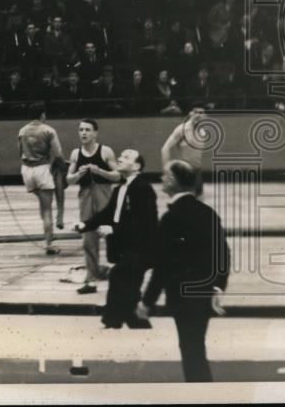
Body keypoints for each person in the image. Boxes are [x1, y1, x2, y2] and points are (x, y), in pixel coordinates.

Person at [137, 160, 231, 382]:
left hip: (181, 296)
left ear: (172, 181)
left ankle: (201, 394)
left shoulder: (170, 219)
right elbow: (223, 255)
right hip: (205, 293)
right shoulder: (208, 213)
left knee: (191, 350)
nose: (161, 178)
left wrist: (147, 302)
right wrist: (218, 287)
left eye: (164, 175)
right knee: (195, 346)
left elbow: (162, 266)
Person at [74, 149, 158, 328]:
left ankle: (113, 320)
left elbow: (142, 222)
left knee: (119, 276)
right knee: (129, 283)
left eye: (126, 157)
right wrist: (85, 225)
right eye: (120, 156)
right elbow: (107, 213)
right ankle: (134, 320)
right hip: (125, 246)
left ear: (137, 167)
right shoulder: (120, 188)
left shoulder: (143, 188)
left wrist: (113, 229)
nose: (120, 158)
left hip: (140, 247)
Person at [66, 119, 120, 294]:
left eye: (87, 130)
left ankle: (120, 274)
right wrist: (78, 174)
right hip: (86, 195)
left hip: (105, 194)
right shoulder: (76, 153)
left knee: (111, 233)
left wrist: (100, 172)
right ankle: (91, 279)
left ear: (95, 133)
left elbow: (118, 175)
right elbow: (68, 179)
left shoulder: (105, 151)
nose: (83, 133)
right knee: (88, 237)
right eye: (81, 130)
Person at [17, 102, 65, 255]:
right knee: (47, 209)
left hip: (26, 170)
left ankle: (49, 233)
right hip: (42, 169)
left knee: (43, 205)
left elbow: (19, 152)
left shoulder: (22, 131)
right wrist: (58, 167)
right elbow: (58, 154)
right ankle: (49, 243)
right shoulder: (48, 130)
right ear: (42, 114)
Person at [160, 103, 210, 197]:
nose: (198, 115)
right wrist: (166, 169)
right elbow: (165, 148)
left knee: (199, 200)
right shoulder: (181, 129)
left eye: (201, 113)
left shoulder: (202, 131)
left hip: (197, 171)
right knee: (182, 200)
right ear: (190, 113)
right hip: (183, 171)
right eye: (195, 112)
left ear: (205, 116)